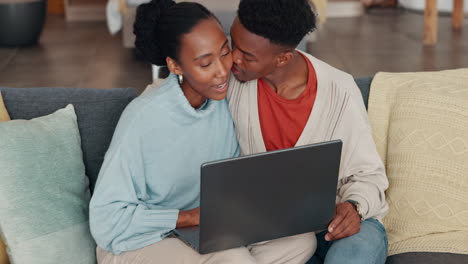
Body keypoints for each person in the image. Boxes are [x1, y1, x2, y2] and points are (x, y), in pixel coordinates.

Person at [89, 0, 316, 263]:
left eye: (224, 52)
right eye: (206, 64)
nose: (222, 72)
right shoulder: (142, 118)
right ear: (175, 67)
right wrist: (189, 217)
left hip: (204, 228)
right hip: (137, 239)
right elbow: (107, 219)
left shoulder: (229, 99)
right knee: (234, 259)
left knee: (299, 241)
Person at [227, 0, 389, 263]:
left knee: (355, 253)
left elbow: (369, 175)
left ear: (283, 58)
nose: (233, 58)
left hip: (332, 225)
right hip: (264, 232)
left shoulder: (340, 90)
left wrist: (354, 207)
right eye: (232, 44)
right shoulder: (228, 83)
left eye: (247, 55)